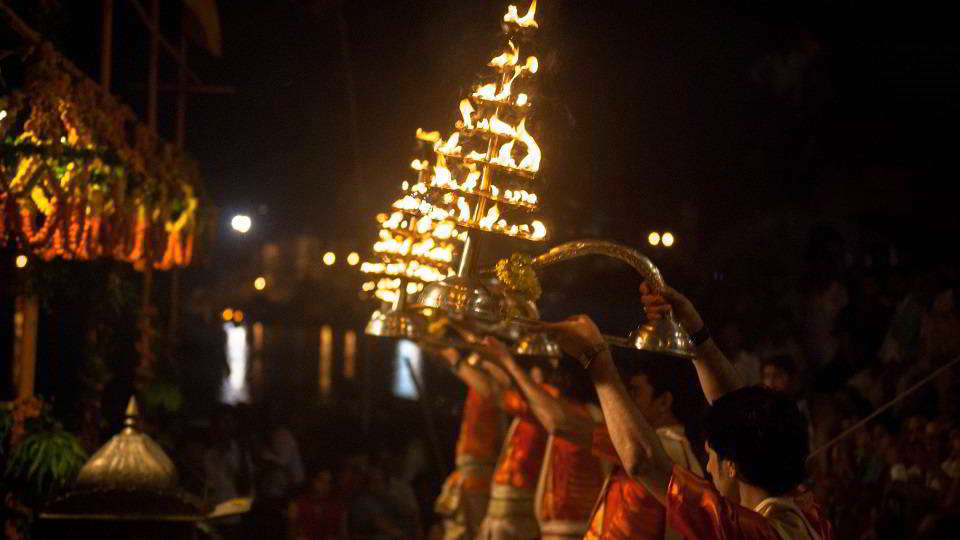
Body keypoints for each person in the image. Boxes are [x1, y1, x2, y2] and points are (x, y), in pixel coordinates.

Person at [536, 283, 833, 540]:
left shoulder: (743, 530)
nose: (707, 469)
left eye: (712, 457)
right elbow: (739, 408)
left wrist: (596, 360)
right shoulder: (806, 511)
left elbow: (643, 462)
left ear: (732, 466)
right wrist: (695, 331)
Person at [475, 337, 703, 540]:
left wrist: (509, 363)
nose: (624, 401)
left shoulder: (663, 449)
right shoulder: (651, 444)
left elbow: (559, 424)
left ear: (663, 402)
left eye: (633, 392)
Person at [470, 342, 608, 539]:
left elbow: (498, 394)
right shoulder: (571, 409)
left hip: (569, 529)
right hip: (550, 525)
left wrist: (507, 362)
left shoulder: (567, 411)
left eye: (556, 366)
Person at [429, 349, 503, 540]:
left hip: (483, 470)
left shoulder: (497, 378)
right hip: (471, 469)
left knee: (474, 532)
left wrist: (456, 360)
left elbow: (492, 390)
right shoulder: (478, 375)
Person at [288, 469, 346, 540]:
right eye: (321, 481)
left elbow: (343, 533)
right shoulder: (297, 504)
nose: (325, 485)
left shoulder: (338, 506)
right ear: (313, 481)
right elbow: (291, 533)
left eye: (328, 482)